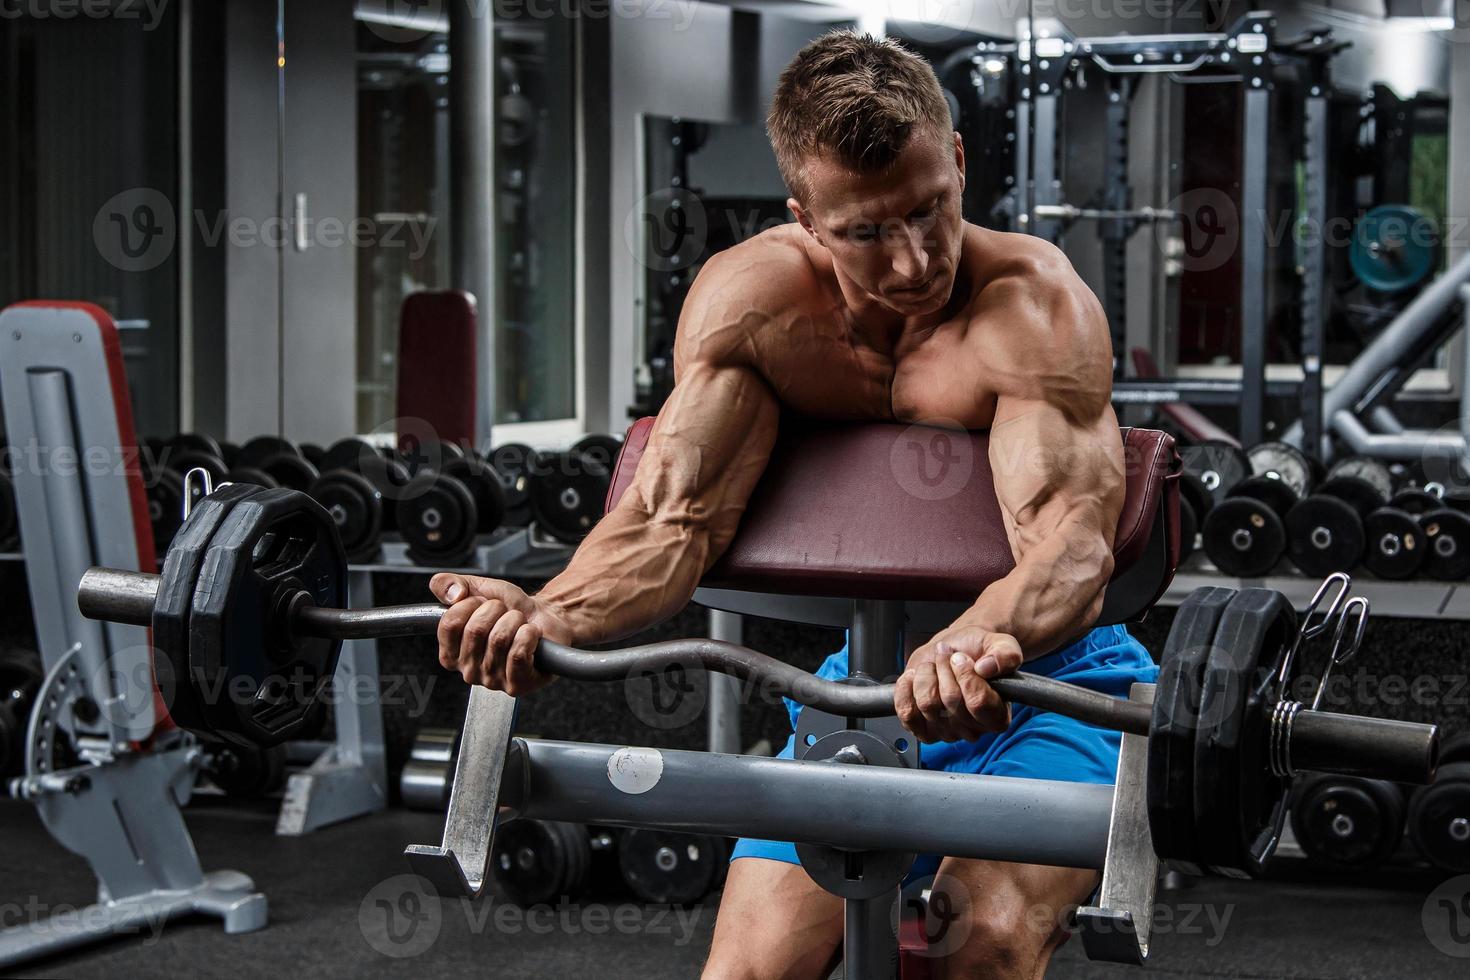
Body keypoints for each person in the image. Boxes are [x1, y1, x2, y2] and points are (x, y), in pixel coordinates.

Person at [429, 30, 1156, 980]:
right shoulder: (757, 309)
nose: (912, 261)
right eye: (865, 231)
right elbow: (671, 521)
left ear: (961, 161)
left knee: (976, 944)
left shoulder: (1030, 309)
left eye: (930, 209)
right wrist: (546, 611)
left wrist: (977, 638)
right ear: (806, 218)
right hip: (865, 681)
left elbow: (1071, 544)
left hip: (1055, 679)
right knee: (748, 972)